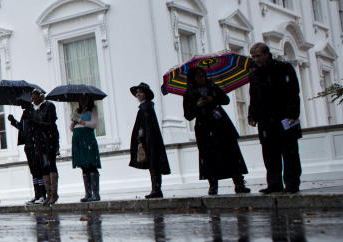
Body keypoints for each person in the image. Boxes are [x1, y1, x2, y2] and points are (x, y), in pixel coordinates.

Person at [183, 67, 251, 195]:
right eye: (199, 76)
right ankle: (213, 185)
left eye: (203, 75)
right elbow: (188, 115)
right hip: (204, 126)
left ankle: (239, 182)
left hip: (220, 124)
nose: (202, 78)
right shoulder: (189, 94)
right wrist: (197, 106)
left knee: (231, 152)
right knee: (209, 156)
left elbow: (226, 100)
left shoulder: (213, 87)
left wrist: (213, 98)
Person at [248, 42, 302, 193]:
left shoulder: (283, 68)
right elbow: (254, 96)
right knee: (270, 153)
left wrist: (292, 113)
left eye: (258, 56)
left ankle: (292, 183)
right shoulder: (254, 74)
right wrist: (252, 115)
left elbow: (293, 92)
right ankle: (274, 183)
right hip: (266, 119)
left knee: (289, 152)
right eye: (253, 56)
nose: (256, 59)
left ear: (266, 54)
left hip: (284, 116)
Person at [128, 82, 171, 198]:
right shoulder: (145, 106)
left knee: (153, 163)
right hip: (149, 140)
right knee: (153, 163)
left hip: (150, 140)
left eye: (140, 92)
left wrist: (141, 135)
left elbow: (146, 125)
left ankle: (156, 189)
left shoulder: (146, 107)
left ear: (145, 94)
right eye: (137, 93)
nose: (138, 95)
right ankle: (156, 188)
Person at [23, 89, 60, 205]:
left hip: (49, 140)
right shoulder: (35, 110)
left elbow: (50, 124)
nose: (33, 101)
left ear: (40, 96)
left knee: (51, 165)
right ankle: (48, 194)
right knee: (44, 168)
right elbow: (35, 129)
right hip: (40, 142)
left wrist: (35, 124)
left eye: (35, 98)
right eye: (32, 99)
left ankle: (54, 193)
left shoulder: (49, 106)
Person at [8, 100, 45, 205]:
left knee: (38, 170)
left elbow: (35, 128)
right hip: (28, 145)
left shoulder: (32, 113)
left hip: (33, 145)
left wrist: (36, 143)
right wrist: (13, 121)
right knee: (33, 171)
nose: (20, 105)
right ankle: (37, 194)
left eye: (22, 103)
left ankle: (42, 194)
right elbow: (22, 128)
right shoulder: (25, 114)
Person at [70, 95, 102, 202]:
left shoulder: (93, 109)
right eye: (81, 99)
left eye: (85, 98)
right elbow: (71, 128)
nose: (83, 101)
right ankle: (88, 193)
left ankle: (95, 193)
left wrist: (82, 121)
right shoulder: (76, 111)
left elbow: (93, 124)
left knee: (91, 164)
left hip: (87, 138)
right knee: (83, 166)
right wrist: (74, 122)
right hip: (78, 139)